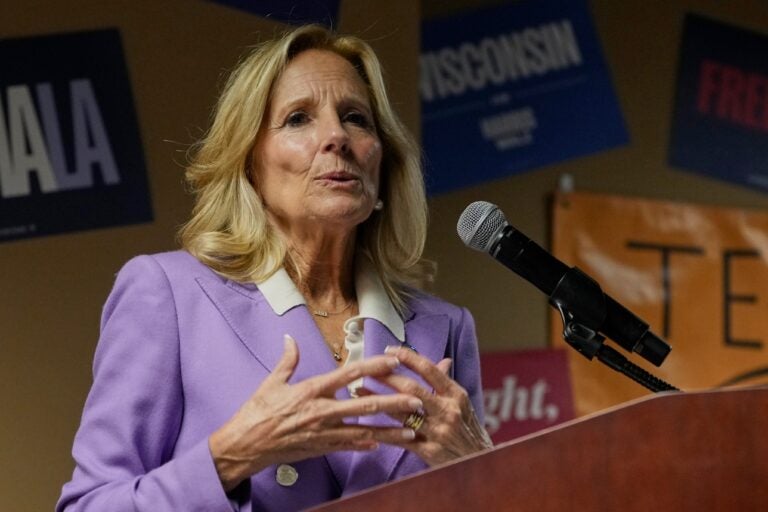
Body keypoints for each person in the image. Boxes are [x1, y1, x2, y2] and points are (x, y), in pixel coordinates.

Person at [57, 24, 492, 512]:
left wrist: (481, 464)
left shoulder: (445, 328)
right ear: (249, 165)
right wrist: (229, 456)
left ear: (383, 164)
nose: (336, 137)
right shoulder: (168, 296)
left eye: (355, 118)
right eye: (298, 119)